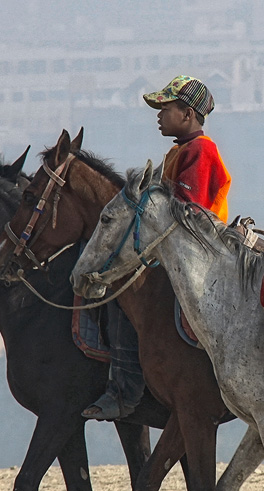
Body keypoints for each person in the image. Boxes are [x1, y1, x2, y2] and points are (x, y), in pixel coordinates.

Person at [83, 75, 231, 421]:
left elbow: (186, 212)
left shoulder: (201, 151)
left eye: (165, 109)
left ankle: (126, 389)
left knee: (125, 294)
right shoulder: (180, 151)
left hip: (197, 252)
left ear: (188, 113)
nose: (159, 116)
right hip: (176, 249)